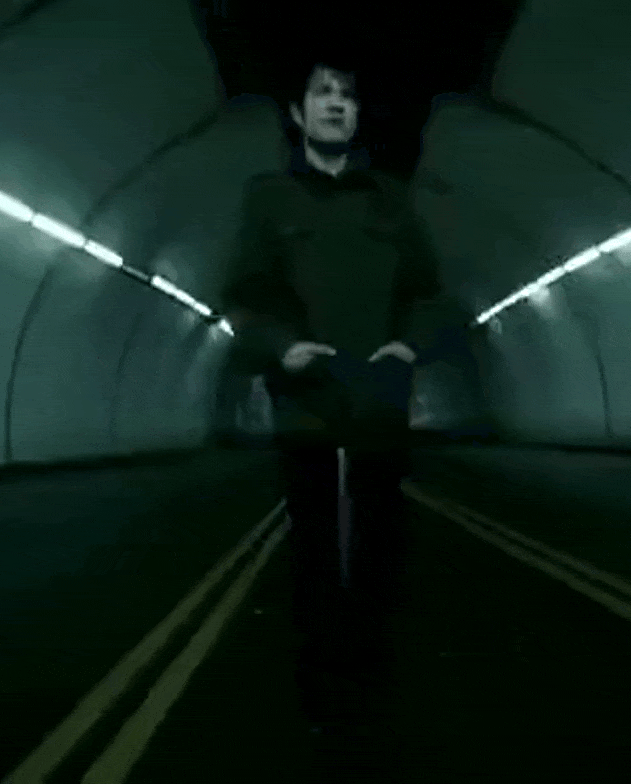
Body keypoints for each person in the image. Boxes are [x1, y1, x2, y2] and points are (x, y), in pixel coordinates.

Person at [219, 60, 449, 738]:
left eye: (347, 95)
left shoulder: (390, 200)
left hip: (378, 401)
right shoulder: (269, 198)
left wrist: (407, 348)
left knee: (380, 550)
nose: (336, 103)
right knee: (314, 554)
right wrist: (282, 348)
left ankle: (376, 689)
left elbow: (429, 293)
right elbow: (245, 295)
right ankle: (320, 694)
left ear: (357, 114)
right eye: (322, 93)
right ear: (298, 113)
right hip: (306, 403)